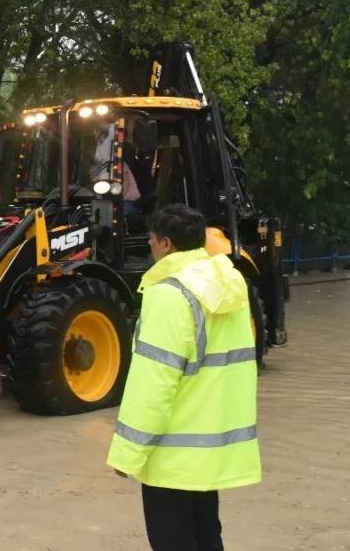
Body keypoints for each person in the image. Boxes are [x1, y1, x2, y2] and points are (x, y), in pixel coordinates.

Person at [107, 204, 261, 550]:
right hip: (207, 454)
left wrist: (126, 454)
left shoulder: (168, 296)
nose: (149, 247)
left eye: (150, 240)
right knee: (208, 536)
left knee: (172, 541)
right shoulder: (229, 289)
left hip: (171, 458)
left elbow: (154, 384)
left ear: (165, 244)